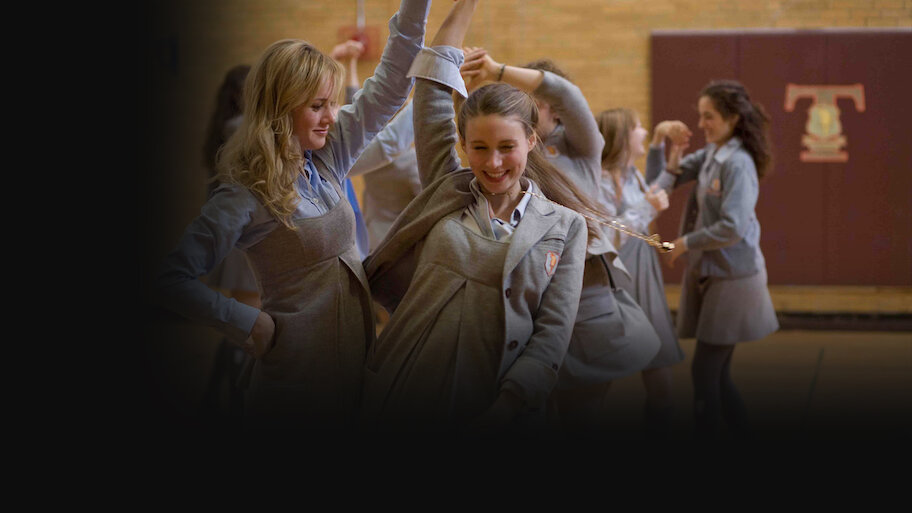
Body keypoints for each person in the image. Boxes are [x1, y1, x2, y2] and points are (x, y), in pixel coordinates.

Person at [153, 0, 432, 431]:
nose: (331, 117)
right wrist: (251, 324)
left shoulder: (326, 155)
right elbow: (171, 278)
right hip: (295, 381)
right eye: (317, 106)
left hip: (355, 367)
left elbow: (392, 85)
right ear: (281, 108)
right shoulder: (245, 192)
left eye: (332, 103)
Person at [361, 0, 594, 438]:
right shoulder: (447, 188)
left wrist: (507, 407)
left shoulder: (565, 226)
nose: (493, 163)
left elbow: (552, 335)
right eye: (479, 148)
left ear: (531, 140)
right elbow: (431, 91)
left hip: (502, 402)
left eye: (507, 147)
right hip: (409, 387)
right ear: (463, 144)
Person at [459, 50, 663, 437]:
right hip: (525, 300)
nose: (523, 108)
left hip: (584, 300)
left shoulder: (581, 148)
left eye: (532, 100)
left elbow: (570, 95)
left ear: (552, 108)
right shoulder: (508, 151)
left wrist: (497, 71)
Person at [648, 79, 779, 440]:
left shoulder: (738, 163)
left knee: (705, 372)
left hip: (735, 277)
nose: (701, 123)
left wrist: (685, 243)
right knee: (717, 375)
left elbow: (733, 227)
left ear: (732, 119)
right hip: (711, 272)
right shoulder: (710, 154)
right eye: (700, 115)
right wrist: (662, 147)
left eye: (709, 116)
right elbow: (657, 187)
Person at [595, 108, 691, 437]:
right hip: (620, 283)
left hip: (643, 278)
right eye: (637, 127)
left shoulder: (632, 174)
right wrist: (649, 206)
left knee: (660, 369)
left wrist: (671, 160)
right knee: (601, 373)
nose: (644, 131)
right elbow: (608, 235)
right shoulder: (601, 180)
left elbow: (652, 193)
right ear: (622, 137)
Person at [198, 63, 258, 422]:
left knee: (241, 324)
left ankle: (218, 391)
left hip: (234, 240)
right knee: (247, 324)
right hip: (243, 242)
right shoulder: (240, 128)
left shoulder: (226, 127)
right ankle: (233, 395)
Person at [330, 39, 371, 259]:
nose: (335, 108)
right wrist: (334, 57)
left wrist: (350, 61)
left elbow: (352, 101)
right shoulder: (329, 136)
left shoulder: (339, 129)